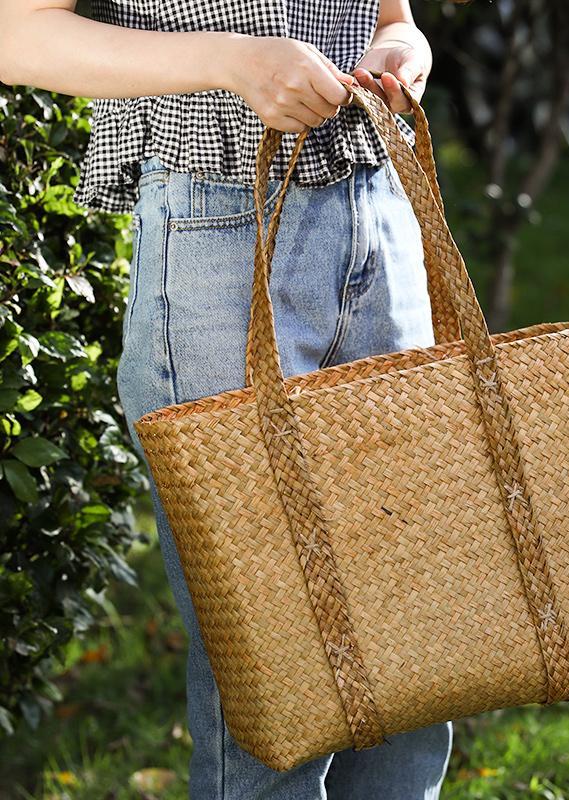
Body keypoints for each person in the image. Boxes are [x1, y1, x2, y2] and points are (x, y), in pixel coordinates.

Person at [0, 1, 454, 797]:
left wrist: (398, 51)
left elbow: (394, 15)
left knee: (411, 661)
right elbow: (14, 31)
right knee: (276, 681)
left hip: (379, 211)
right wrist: (233, 62)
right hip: (219, 231)